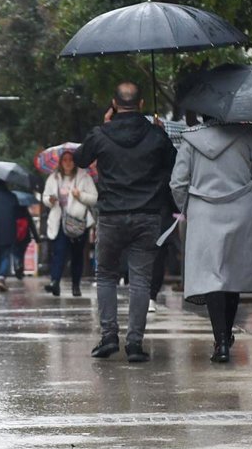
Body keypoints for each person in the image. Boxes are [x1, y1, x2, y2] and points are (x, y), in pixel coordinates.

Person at [74, 82, 176, 362]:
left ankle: (108, 336)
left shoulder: (101, 133)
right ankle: (134, 344)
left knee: (105, 275)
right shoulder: (156, 135)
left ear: (114, 104)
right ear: (142, 104)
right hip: (147, 215)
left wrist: (103, 126)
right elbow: (173, 165)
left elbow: (81, 158)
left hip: (111, 216)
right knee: (141, 280)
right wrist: (160, 133)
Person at [170, 119, 252, 364]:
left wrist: (189, 208)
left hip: (205, 213)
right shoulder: (247, 133)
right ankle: (226, 334)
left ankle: (221, 341)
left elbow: (178, 183)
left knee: (212, 276)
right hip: (241, 210)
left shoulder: (190, 138)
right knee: (232, 274)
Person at [41, 145, 97, 297]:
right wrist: (50, 200)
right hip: (59, 221)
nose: (67, 163)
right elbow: (45, 197)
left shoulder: (84, 177)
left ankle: (75, 285)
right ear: (60, 162)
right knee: (58, 252)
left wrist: (80, 196)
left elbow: (94, 198)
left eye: (70, 160)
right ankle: (55, 282)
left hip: (78, 222)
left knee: (77, 254)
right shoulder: (53, 178)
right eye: (64, 160)